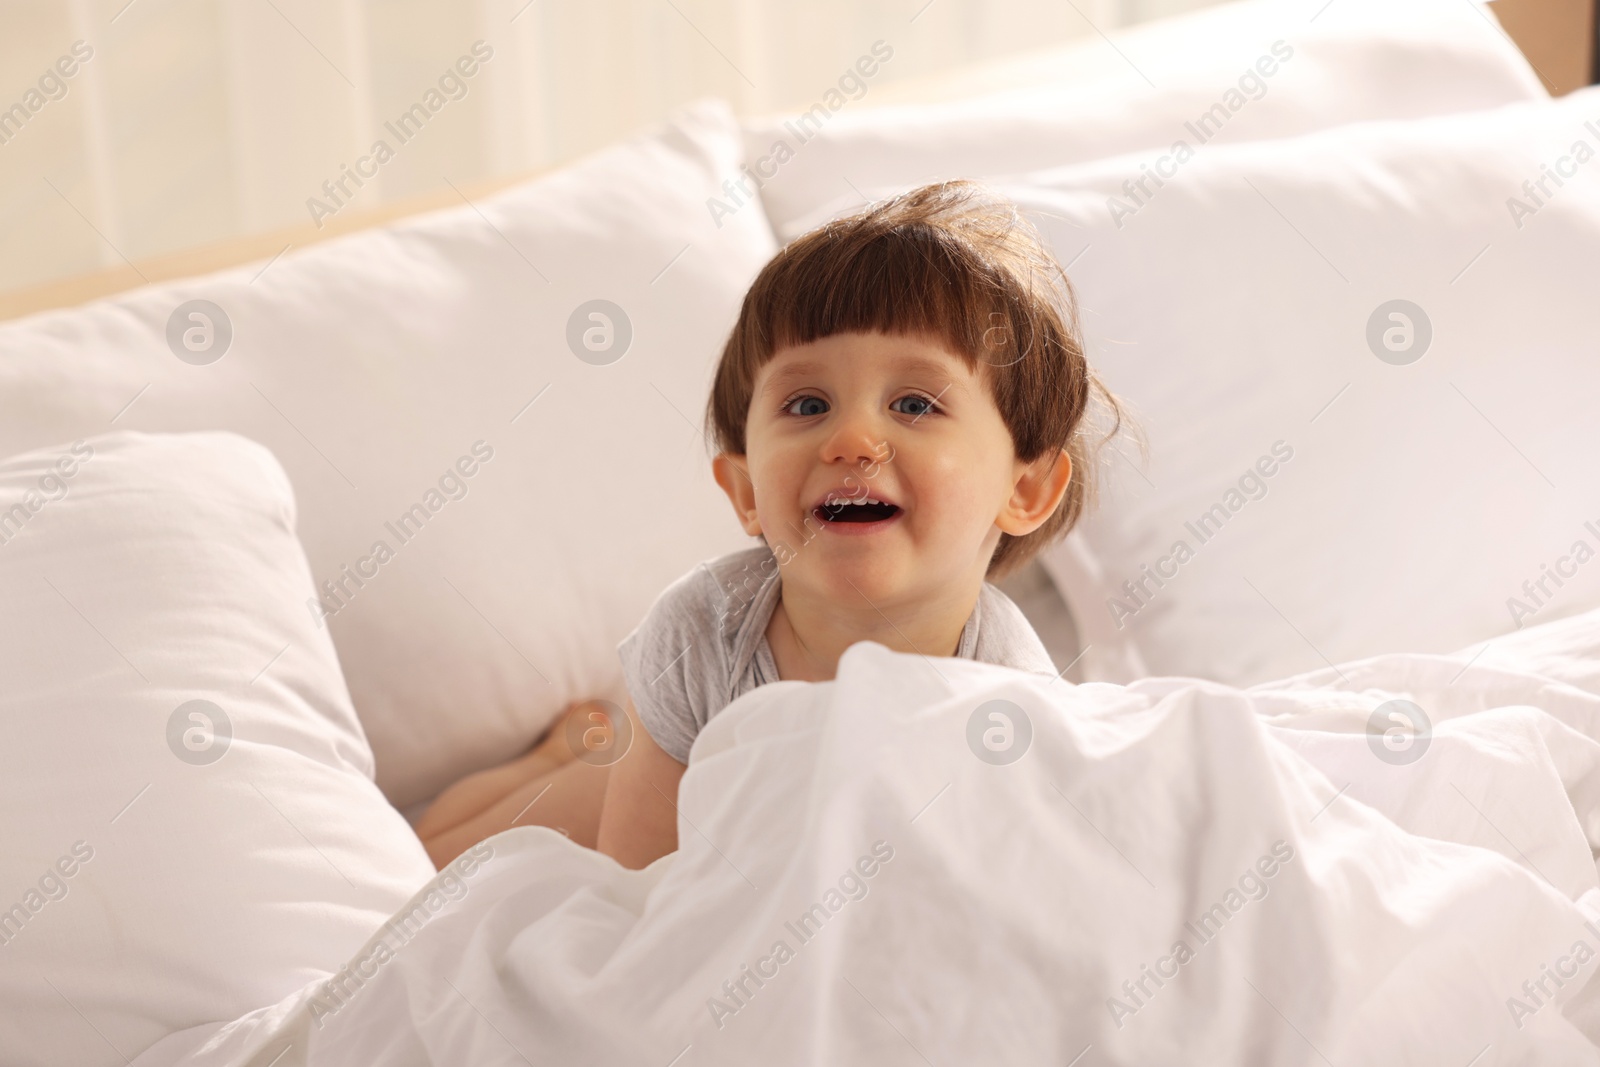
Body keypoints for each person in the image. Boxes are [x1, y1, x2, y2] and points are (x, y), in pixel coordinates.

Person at [417, 179, 1128, 872]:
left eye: (914, 403)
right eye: (808, 403)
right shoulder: (702, 636)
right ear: (747, 489)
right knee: (443, 856)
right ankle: (557, 755)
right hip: (668, 771)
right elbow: (636, 910)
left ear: (1026, 488)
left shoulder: (1010, 690)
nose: (851, 438)